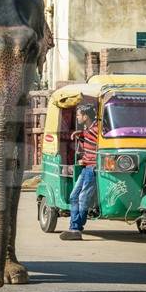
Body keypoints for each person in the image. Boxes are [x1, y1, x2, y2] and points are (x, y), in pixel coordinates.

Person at [60, 103, 98, 240]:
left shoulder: (95, 129)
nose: (76, 117)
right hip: (86, 167)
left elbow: (95, 136)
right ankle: (76, 227)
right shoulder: (90, 129)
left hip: (92, 168)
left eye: (78, 115)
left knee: (82, 198)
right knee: (74, 196)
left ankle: (75, 228)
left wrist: (81, 133)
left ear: (85, 116)